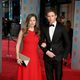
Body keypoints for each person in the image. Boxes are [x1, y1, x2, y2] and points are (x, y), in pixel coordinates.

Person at [39, 8, 70, 80]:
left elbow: (67, 43)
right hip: (47, 57)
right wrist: (46, 51)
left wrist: (64, 56)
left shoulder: (62, 27)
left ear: (56, 16)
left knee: (58, 77)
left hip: (58, 57)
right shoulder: (44, 27)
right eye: (48, 16)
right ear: (46, 17)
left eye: (52, 16)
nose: (50, 18)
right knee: (49, 77)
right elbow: (40, 41)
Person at [16, 13, 43, 80]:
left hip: (35, 57)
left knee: (34, 75)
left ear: (36, 21)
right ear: (27, 21)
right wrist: (17, 57)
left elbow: (39, 43)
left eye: (34, 20)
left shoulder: (38, 31)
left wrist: (43, 44)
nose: (32, 22)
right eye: (30, 20)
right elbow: (18, 44)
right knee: (25, 75)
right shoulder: (23, 31)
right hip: (24, 57)